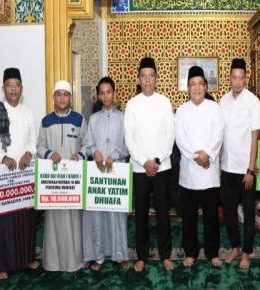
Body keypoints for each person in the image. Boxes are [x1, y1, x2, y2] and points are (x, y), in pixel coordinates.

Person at [0, 67, 38, 280]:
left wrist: (29, 153)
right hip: (2, 175)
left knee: (25, 220)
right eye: (9, 86)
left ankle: (27, 258)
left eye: (16, 86)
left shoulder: (27, 111)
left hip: (22, 174)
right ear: (3, 88)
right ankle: (3, 265)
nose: (13, 90)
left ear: (22, 88)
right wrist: (2, 158)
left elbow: (33, 140)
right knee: (4, 223)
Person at [124, 57, 175, 272]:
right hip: (139, 168)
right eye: (143, 77)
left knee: (163, 213)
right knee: (141, 213)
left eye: (151, 76)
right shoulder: (132, 104)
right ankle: (142, 255)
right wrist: (144, 162)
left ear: (156, 79)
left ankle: (165, 255)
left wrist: (156, 161)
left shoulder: (164, 102)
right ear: (138, 79)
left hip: (161, 167)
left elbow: (169, 136)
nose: (147, 81)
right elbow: (129, 139)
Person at [175, 66, 224, 268]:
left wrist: (208, 155)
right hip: (189, 173)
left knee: (211, 216)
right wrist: (197, 157)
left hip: (209, 173)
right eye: (193, 84)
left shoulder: (215, 108)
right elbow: (180, 139)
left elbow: (219, 134)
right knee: (189, 217)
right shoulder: (181, 111)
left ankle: (212, 252)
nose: (197, 88)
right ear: (188, 88)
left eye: (200, 84)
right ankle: (191, 252)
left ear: (206, 86)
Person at [37, 80, 87, 272]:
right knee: (53, 221)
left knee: (74, 220)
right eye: (58, 94)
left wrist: (80, 155)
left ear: (70, 98)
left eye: (65, 94)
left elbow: (86, 144)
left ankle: (74, 262)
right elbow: (39, 146)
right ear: (53, 97)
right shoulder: (45, 121)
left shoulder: (80, 119)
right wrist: (49, 154)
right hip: (53, 182)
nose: (62, 98)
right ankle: (52, 262)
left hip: (73, 181)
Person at [83, 76, 130, 271]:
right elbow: (87, 144)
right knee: (97, 215)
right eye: (101, 93)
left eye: (108, 92)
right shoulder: (93, 119)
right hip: (98, 172)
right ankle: (99, 256)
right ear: (98, 95)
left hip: (116, 171)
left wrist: (115, 155)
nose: (105, 96)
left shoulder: (124, 118)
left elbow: (129, 146)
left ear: (114, 93)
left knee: (117, 215)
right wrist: (95, 152)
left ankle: (120, 255)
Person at [219, 58, 260, 269]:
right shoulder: (223, 101)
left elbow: (255, 137)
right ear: (229, 78)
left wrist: (250, 170)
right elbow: (220, 135)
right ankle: (235, 247)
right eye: (234, 78)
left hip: (245, 170)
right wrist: (219, 164)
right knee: (228, 211)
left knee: (248, 211)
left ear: (246, 78)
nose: (237, 82)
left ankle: (246, 252)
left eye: (241, 78)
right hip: (226, 168)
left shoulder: (252, 101)